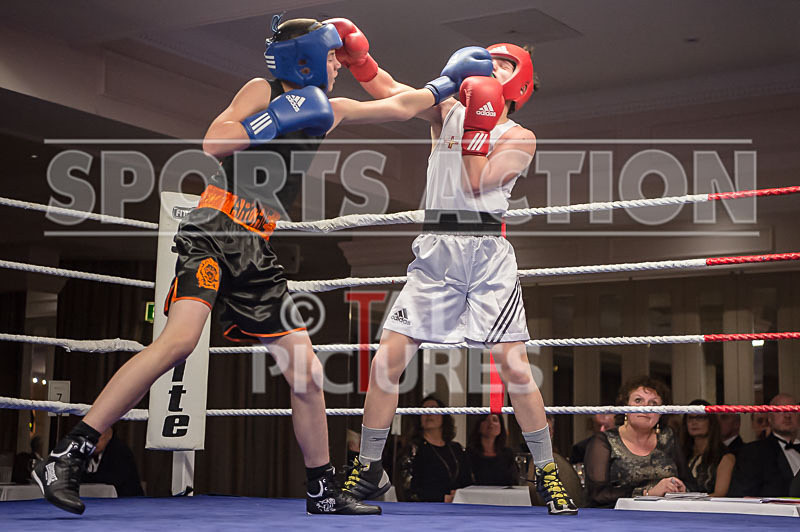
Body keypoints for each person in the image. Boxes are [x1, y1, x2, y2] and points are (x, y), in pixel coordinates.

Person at [32, 16, 490, 516]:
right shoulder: (262, 89)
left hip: (256, 249)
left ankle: (321, 489)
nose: (337, 63)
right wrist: (275, 115)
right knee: (179, 342)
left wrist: (447, 83)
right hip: (213, 229)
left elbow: (400, 105)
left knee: (307, 372)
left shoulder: (329, 111)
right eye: (331, 55)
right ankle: (68, 455)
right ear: (306, 57)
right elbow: (213, 142)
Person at [328, 18, 577, 515]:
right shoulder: (447, 110)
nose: (490, 68)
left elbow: (475, 185)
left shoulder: (520, 136)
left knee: (514, 370)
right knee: (385, 362)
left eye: (503, 63)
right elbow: (394, 94)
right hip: (436, 254)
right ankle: (367, 471)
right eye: (487, 60)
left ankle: (548, 474)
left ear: (520, 82)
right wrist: (360, 61)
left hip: (486, 259)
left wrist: (479, 125)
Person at [585, 376, 691, 507]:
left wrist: (682, 489)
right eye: (638, 400)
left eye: (654, 403)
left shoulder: (668, 437)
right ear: (625, 407)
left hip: (668, 514)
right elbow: (597, 494)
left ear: (661, 412)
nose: (645, 408)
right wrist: (648, 493)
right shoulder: (604, 441)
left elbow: (691, 483)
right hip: (619, 518)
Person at [397, 396, 473, 502]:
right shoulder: (413, 449)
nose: (429, 413)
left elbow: (468, 482)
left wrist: (459, 494)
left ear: (443, 415)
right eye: (424, 410)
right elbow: (408, 489)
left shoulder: (457, 449)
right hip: (425, 510)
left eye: (433, 409)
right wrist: (441, 498)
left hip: (458, 507)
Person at [728, 393, 800, 497]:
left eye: (793, 410)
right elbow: (742, 495)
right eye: (780, 410)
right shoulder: (753, 452)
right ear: (770, 418)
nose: (787, 415)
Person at [679, 399, 735, 496]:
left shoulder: (725, 457)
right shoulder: (682, 453)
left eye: (700, 417)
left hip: (708, 508)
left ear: (711, 422)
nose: (694, 422)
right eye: (690, 418)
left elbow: (719, 494)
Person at [82, 426, 144, 497]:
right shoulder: (86, 451)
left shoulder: (120, 451)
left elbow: (112, 479)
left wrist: (85, 477)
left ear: (109, 432)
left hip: (125, 502)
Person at [466, 413, 517, 486]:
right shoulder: (469, 453)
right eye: (485, 420)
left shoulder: (508, 454)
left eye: (495, 420)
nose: (490, 423)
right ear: (478, 426)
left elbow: (514, 482)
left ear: (501, 426)